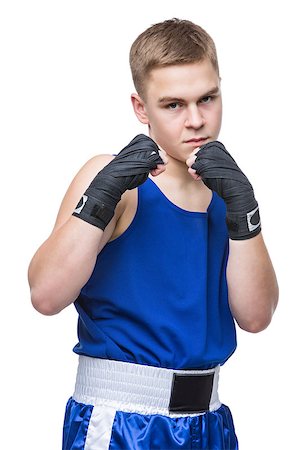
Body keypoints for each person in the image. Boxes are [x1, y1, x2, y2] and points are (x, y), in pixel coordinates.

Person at [28, 18, 279, 450]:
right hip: (123, 422)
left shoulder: (227, 189)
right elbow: (46, 295)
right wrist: (103, 193)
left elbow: (256, 317)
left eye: (208, 98)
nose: (196, 120)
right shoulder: (113, 180)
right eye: (173, 105)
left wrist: (245, 210)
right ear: (141, 108)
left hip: (209, 422)